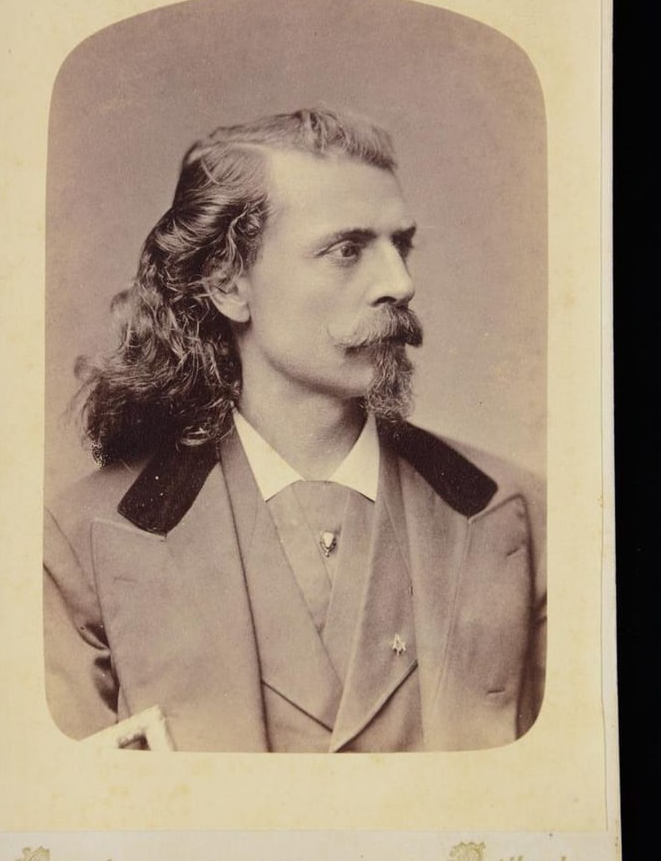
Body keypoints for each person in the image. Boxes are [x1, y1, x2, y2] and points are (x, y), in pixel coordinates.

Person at [44, 107, 545, 753]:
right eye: (347, 250)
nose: (400, 283)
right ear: (228, 285)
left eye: (401, 245)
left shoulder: (522, 514)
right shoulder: (83, 541)